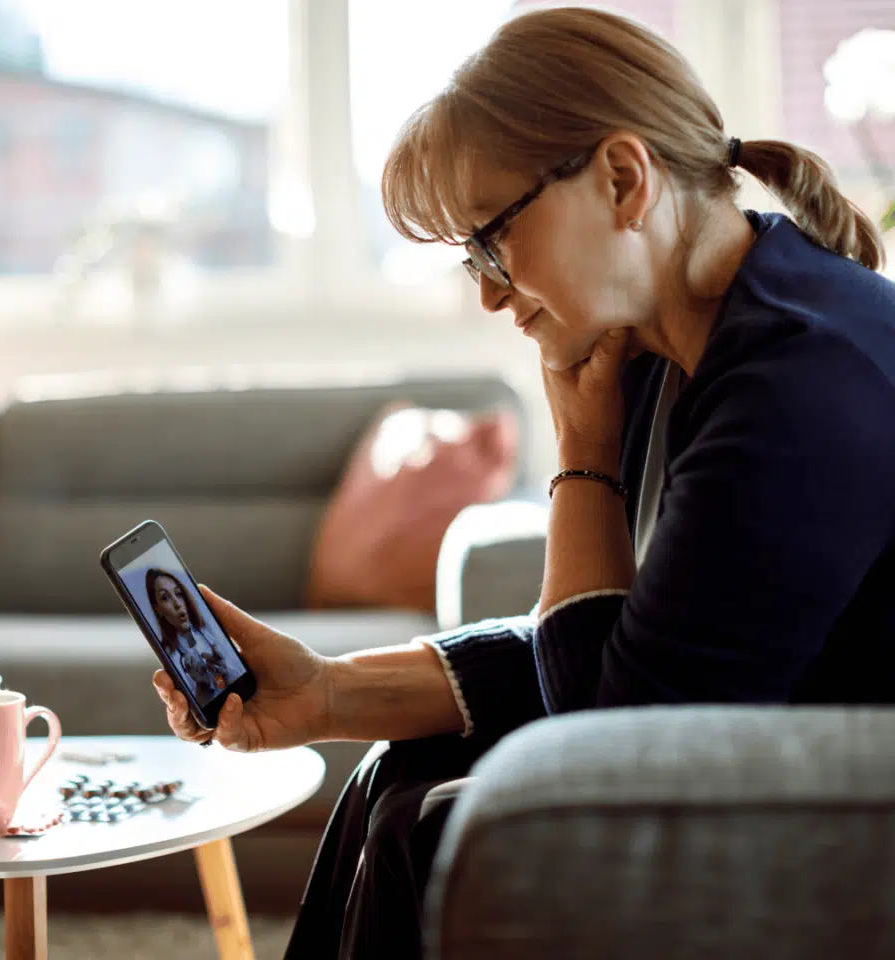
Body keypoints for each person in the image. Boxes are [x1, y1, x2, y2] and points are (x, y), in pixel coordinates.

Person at [152, 7, 895, 958]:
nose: (490, 293)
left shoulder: (797, 383)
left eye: (493, 241)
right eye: (471, 258)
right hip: (738, 759)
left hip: (837, 809)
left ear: (624, 179)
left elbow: (611, 744)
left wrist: (583, 452)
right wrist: (329, 692)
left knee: (423, 823)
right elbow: (627, 652)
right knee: (398, 776)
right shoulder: (676, 349)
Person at [145, 568, 233, 702]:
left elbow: (239, 677)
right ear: (158, 609)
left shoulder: (210, 631)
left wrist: (226, 674)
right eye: (165, 598)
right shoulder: (171, 658)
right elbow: (194, 713)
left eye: (178, 594)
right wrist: (202, 688)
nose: (178, 604)